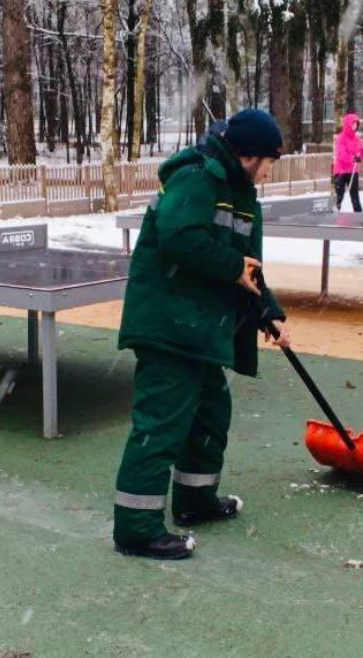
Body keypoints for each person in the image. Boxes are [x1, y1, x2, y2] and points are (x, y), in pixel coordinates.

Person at [113, 108, 292, 560]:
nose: (271, 170)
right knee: (162, 423)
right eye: (269, 159)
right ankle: (135, 528)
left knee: (210, 414)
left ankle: (195, 501)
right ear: (247, 153)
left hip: (202, 327)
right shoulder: (194, 178)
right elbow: (179, 237)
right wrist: (233, 268)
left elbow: (246, 264)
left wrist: (267, 311)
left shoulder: (240, 191)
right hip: (168, 322)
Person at [332, 112, 363, 212]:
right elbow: (341, 154)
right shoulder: (341, 138)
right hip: (341, 170)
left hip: (353, 171)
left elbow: (362, 151)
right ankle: (335, 212)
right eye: (353, 124)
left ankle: (358, 213)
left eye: (356, 124)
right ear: (347, 125)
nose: (355, 126)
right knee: (339, 195)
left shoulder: (357, 139)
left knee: (355, 195)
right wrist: (353, 158)